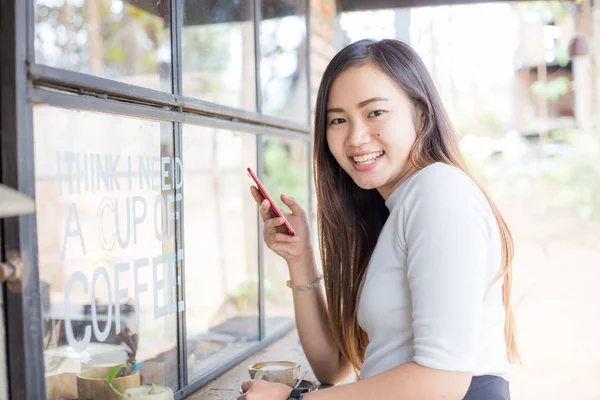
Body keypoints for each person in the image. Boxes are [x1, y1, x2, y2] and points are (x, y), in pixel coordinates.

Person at [240, 39, 518, 400]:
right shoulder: (394, 209)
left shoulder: (439, 192)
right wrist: (301, 259)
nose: (355, 137)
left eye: (375, 113)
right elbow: (333, 366)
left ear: (420, 113)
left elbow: (443, 382)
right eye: (338, 120)